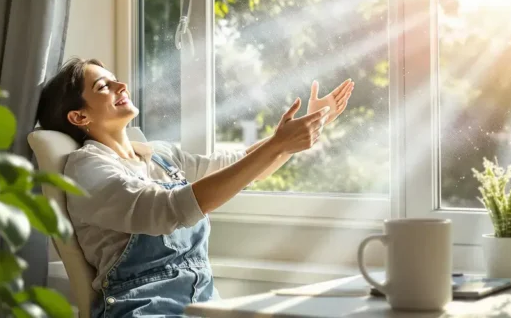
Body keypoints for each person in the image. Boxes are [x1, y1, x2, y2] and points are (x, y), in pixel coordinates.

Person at [36, 58, 354, 317]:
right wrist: (277, 145)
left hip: (203, 304)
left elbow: (239, 165)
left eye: (116, 79)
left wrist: (307, 126)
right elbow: (168, 210)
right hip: (144, 309)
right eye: (104, 86)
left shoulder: (159, 155)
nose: (122, 85)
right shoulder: (86, 168)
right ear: (79, 116)